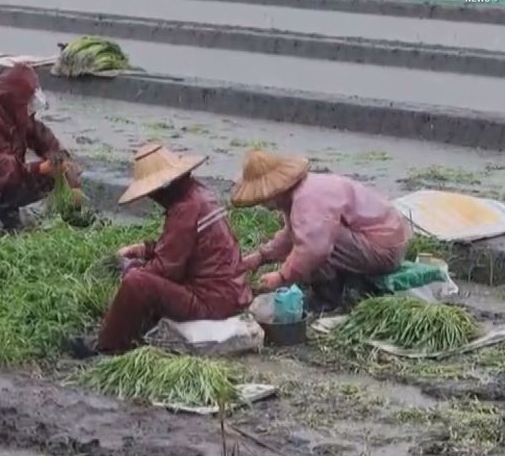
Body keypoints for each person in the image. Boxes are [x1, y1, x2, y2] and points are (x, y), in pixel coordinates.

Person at [67, 144, 251, 358]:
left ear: (164, 188)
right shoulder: (200, 193)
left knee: (136, 282)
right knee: (141, 275)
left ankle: (107, 346)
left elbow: (166, 269)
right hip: (230, 293)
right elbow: (186, 247)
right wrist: (143, 249)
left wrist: (132, 267)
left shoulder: (185, 208)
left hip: (211, 301)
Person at [233, 150, 412, 310]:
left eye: (263, 200)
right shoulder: (301, 192)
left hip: (384, 248)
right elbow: (292, 234)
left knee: (315, 247)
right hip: (377, 240)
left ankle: (327, 298)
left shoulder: (308, 199)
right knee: (309, 237)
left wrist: (282, 277)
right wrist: (261, 257)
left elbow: (313, 248)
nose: (264, 205)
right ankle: (345, 283)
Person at [0, 63, 81, 229]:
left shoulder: (18, 118)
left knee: (55, 166)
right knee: (6, 164)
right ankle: (3, 212)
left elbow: (45, 139)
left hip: (11, 182)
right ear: (15, 100)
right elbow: (5, 170)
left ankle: (67, 215)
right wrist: (41, 168)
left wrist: (68, 174)